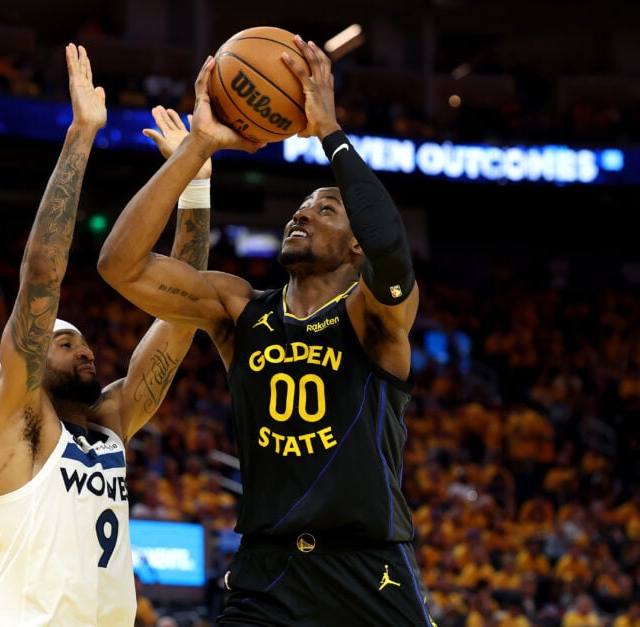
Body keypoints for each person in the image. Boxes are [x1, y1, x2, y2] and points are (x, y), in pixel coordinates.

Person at [98, 35, 435, 626]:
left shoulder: (373, 317)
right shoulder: (237, 307)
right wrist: (196, 151)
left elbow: (390, 243)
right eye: (301, 205)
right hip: (268, 573)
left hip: (369, 570)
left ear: (356, 246)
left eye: (325, 208)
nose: (302, 212)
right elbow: (119, 266)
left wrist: (329, 129)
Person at [0, 43, 209, 626]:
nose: (84, 349)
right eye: (65, 342)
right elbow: (42, 276)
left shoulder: (110, 427)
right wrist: (81, 134)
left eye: (82, 341)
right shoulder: (19, 427)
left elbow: (182, 316)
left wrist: (195, 183)